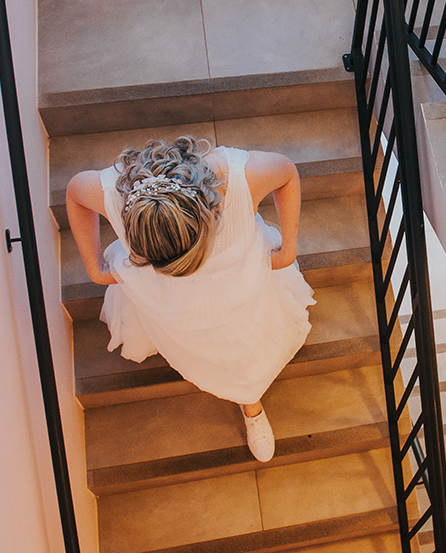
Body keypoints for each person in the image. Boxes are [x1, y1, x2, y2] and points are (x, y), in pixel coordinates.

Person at [65, 136, 314, 462]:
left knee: (245, 353)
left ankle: (250, 400)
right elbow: (75, 194)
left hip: (237, 292)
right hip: (170, 301)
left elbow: (287, 173)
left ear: (212, 213)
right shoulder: (111, 194)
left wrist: (289, 249)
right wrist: (95, 270)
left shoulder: (241, 179)